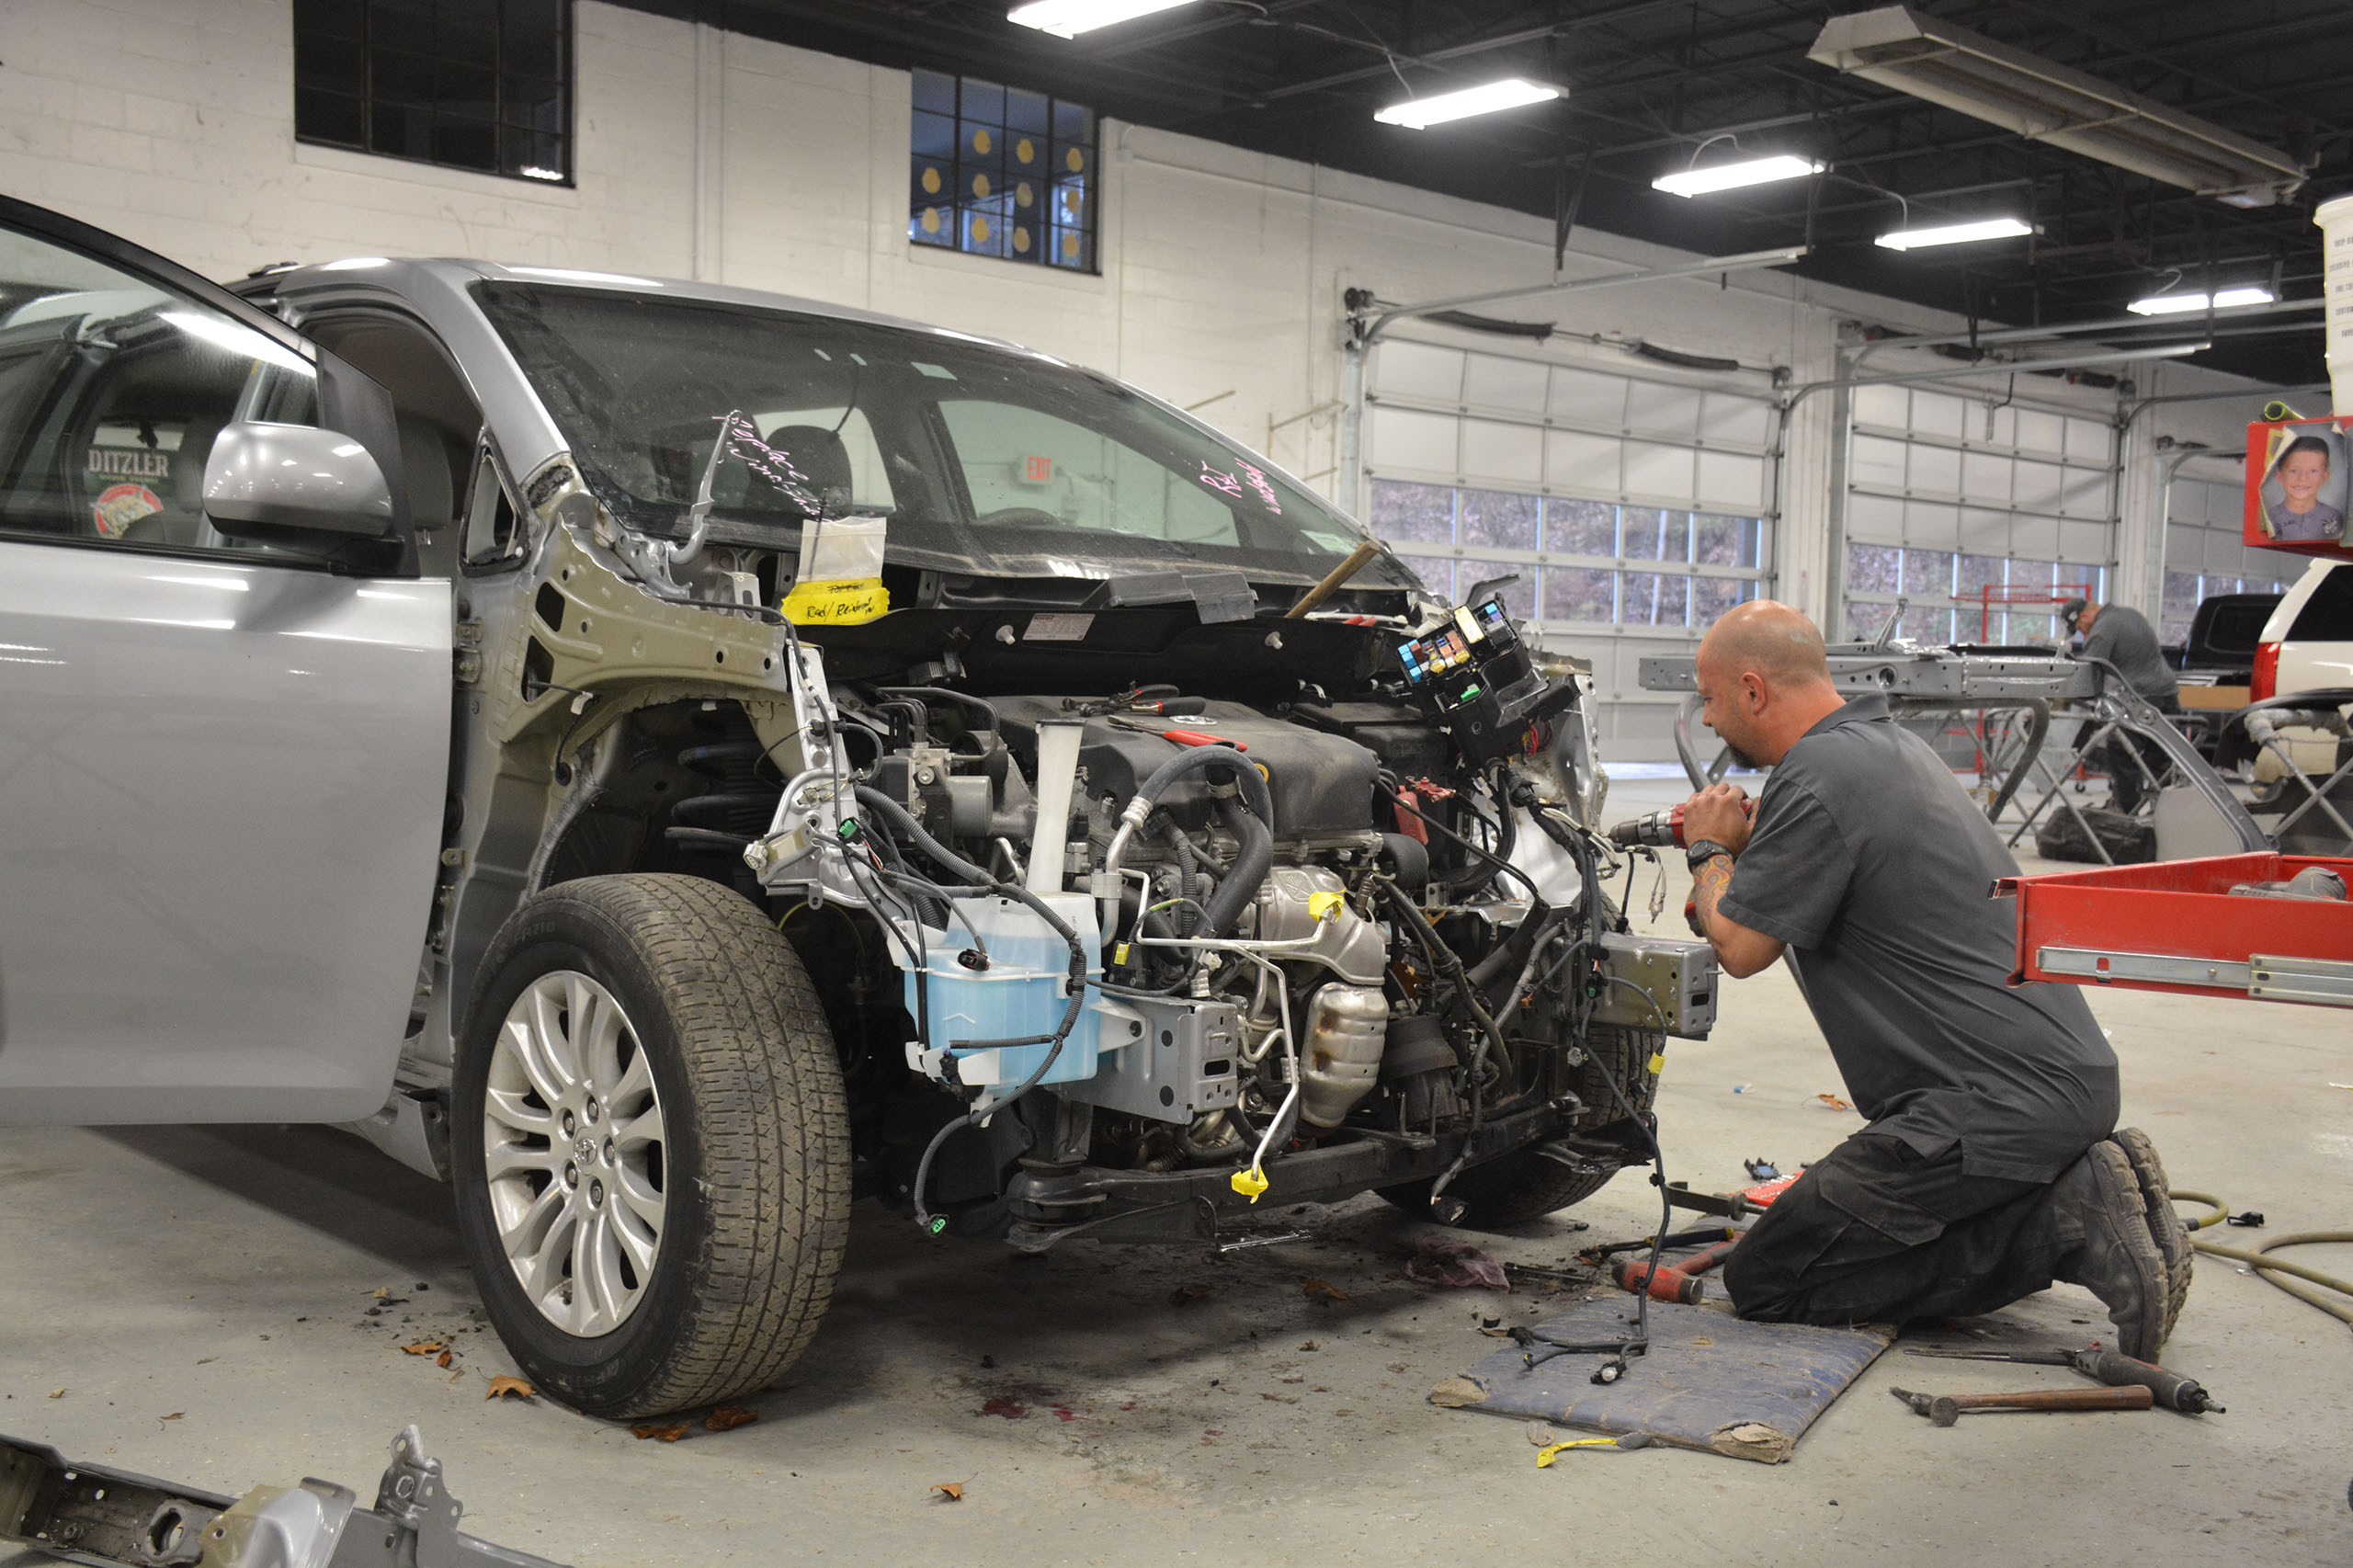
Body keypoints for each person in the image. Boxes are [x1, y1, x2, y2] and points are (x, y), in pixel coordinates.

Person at [1677, 601, 2189, 1357]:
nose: (1709, 719)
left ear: (1753, 690)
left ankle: (2070, 1224)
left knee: (1771, 1277)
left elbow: (1741, 949)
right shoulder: (1885, 748)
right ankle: (2084, 1190)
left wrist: (1708, 849)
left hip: (1987, 1106)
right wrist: (1752, 855)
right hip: (2058, 1084)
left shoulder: (1814, 776)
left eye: (1712, 699)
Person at [2061, 597, 2180, 814]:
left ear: (2084, 616)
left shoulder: (2101, 631)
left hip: (2141, 698)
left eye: (2078, 627)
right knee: (2161, 759)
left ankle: (2128, 814)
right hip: (2167, 695)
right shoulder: (2130, 614)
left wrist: (2063, 692)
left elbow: (2086, 675)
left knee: (2121, 752)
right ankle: (2165, 816)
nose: (2081, 632)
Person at [2265, 436, 2347, 543]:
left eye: (2313, 471)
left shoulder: (2335, 518)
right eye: (2294, 471)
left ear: (2325, 476)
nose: (2303, 478)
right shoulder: (2269, 519)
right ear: (2279, 476)